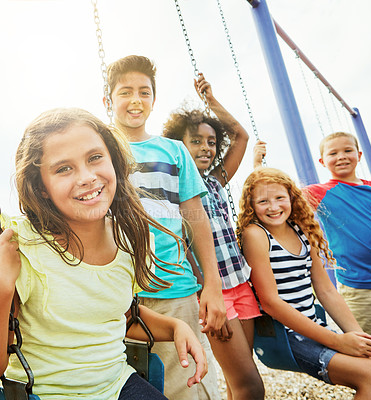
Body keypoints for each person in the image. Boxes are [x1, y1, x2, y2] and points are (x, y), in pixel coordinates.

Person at [0, 108, 208, 400]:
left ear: (113, 159)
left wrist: (176, 327)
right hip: (48, 393)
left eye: (94, 157)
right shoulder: (21, 247)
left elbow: (118, 315)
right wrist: (3, 288)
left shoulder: (129, 236)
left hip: (118, 384)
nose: (87, 177)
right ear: (41, 187)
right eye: (63, 169)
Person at [106, 55, 226, 400]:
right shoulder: (99, 151)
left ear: (153, 100)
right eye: (125, 92)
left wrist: (212, 286)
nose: (135, 100)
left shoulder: (172, 150)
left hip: (174, 289)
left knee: (189, 386)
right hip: (119, 294)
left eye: (144, 92)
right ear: (108, 100)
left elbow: (195, 216)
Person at [237, 166, 371, 399]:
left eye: (279, 198)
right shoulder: (256, 235)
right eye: (263, 201)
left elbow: (326, 290)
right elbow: (271, 302)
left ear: (291, 198)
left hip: (314, 327)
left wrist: (358, 340)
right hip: (287, 336)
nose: (274, 207)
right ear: (251, 206)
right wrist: (339, 341)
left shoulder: (302, 229)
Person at [162, 73, 265, 400]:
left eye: (210, 141)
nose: (206, 147)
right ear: (179, 145)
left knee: (242, 379)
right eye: (196, 141)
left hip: (241, 284)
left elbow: (240, 135)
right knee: (251, 386)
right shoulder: (174, 188)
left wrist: (210, 99)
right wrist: (207, 291)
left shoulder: (217, 179)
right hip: (214, 290)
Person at [302, 132, 371, 361]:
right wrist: (258, 163)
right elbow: (281, 194)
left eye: (348, 151)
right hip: (362, 288)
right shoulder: (318, 192)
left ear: (358, 155)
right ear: (322, 161)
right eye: (333, 153)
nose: (341, 156)